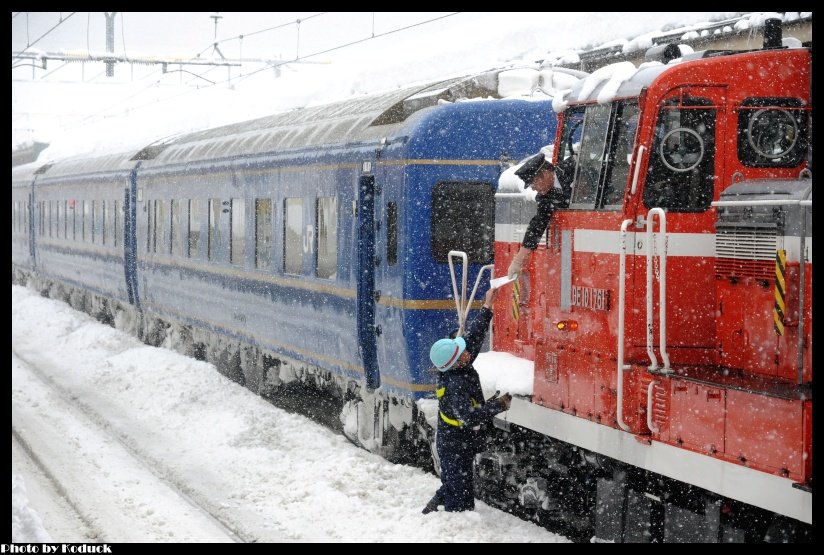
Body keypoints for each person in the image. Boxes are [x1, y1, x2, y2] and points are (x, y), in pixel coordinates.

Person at [422, 287, 512, 514]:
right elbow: (469, 417)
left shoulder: (458, 363)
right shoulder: (455, 385)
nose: (467, 352)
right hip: (453, 442)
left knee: (457, 483)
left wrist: (487, 307)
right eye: (461, 352)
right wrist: (498, 405)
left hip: (458, 439)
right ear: (455, 362)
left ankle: (436, 504)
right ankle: (448, 523)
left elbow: (474, 336)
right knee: (461, 498)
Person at [507, 151, 573, 279]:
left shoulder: (573, 169)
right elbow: (537, 225)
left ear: (544, 174)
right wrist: (518, 261)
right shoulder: (545, 197)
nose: (532, 189)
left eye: (533, 183)